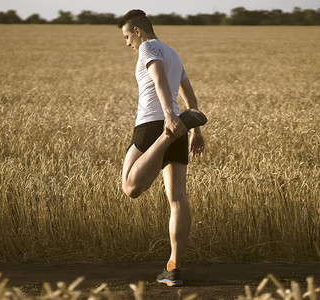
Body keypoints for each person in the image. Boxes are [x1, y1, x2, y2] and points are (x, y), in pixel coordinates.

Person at [117, 9, 207, 286]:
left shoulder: (148, 47)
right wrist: (195, 131)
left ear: (138, 31)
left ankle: (165, 138)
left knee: (130, 188)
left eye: (127, 36)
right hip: (180, 125)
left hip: (155, 125)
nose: (127, 43)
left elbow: (157, 78)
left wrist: (168, 117)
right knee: (177, 198)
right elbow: (190, 98)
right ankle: (173, 268)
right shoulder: (173, 53)